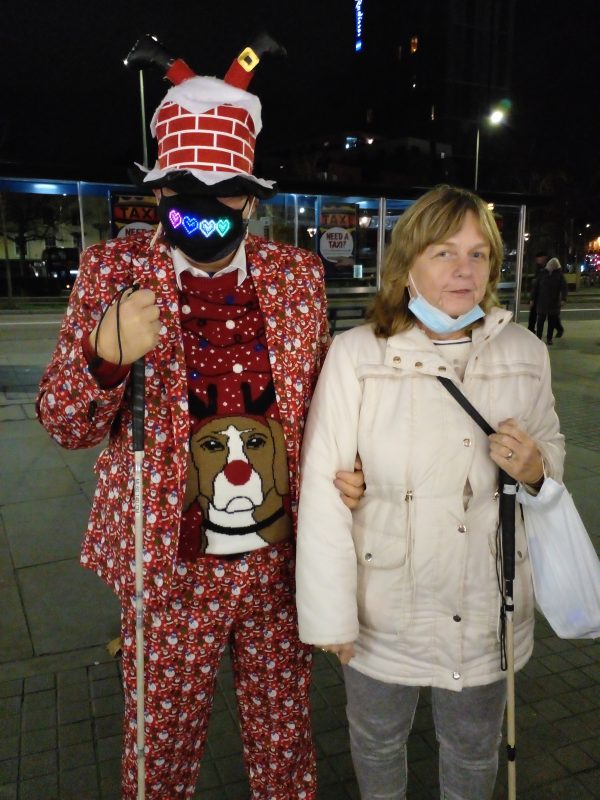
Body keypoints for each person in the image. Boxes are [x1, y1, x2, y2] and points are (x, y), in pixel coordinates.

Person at [37, 37, 364, 800]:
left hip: (280, 560)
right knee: (161, 750)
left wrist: (350, 471)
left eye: (225, 195)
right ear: (158, 193)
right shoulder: (114, 271)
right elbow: (63, 421)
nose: (204, 211)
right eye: (184, 191)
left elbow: (326, 399)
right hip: (168, 565)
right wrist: (105, 357)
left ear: (253, 197)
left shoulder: (297, 277)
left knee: (285, 744)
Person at [295, 185, 565, 800]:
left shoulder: (524, 353)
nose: (463, 271)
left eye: (478, 254)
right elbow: (323, 489)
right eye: (444, 253)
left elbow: (553, 453)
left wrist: (535, 466)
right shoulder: (357, 355)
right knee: (376, 738)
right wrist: (331, 612)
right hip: (384, 601)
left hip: (486, 597)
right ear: (408, 262)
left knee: (473, 747)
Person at [535, 256, 568, 345]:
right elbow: (536, 287)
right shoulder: (542, 274)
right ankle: (538, 337)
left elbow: (564, 288)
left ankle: (549, 338)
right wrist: (532, 299)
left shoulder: (559, 275)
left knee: (551, 322)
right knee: (540, 322)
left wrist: (564, 299)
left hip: (553, 302)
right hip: (543, 302)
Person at [527, 251, 548, 332]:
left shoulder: (547, 268)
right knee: (533, 312)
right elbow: (535, 284)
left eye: (538, 259)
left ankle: (558, 328)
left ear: (543, 258)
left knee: (550, 314)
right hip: (537, 294)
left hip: (544, 295)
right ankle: (531, 328)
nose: (537, 261)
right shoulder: (539, 268)